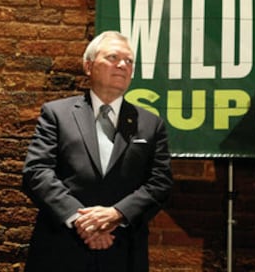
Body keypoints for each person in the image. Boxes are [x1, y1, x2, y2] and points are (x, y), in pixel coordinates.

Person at [22, 31, 173, 272]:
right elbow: (37, 172)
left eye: (129, 61)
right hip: (61, 247)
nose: (123, 65)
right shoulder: (57, 114)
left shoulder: (151, 124)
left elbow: (160, 183)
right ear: (88, 66)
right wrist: (82, 221)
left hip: (123, 249)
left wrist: (117, 214)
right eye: (113, 57)